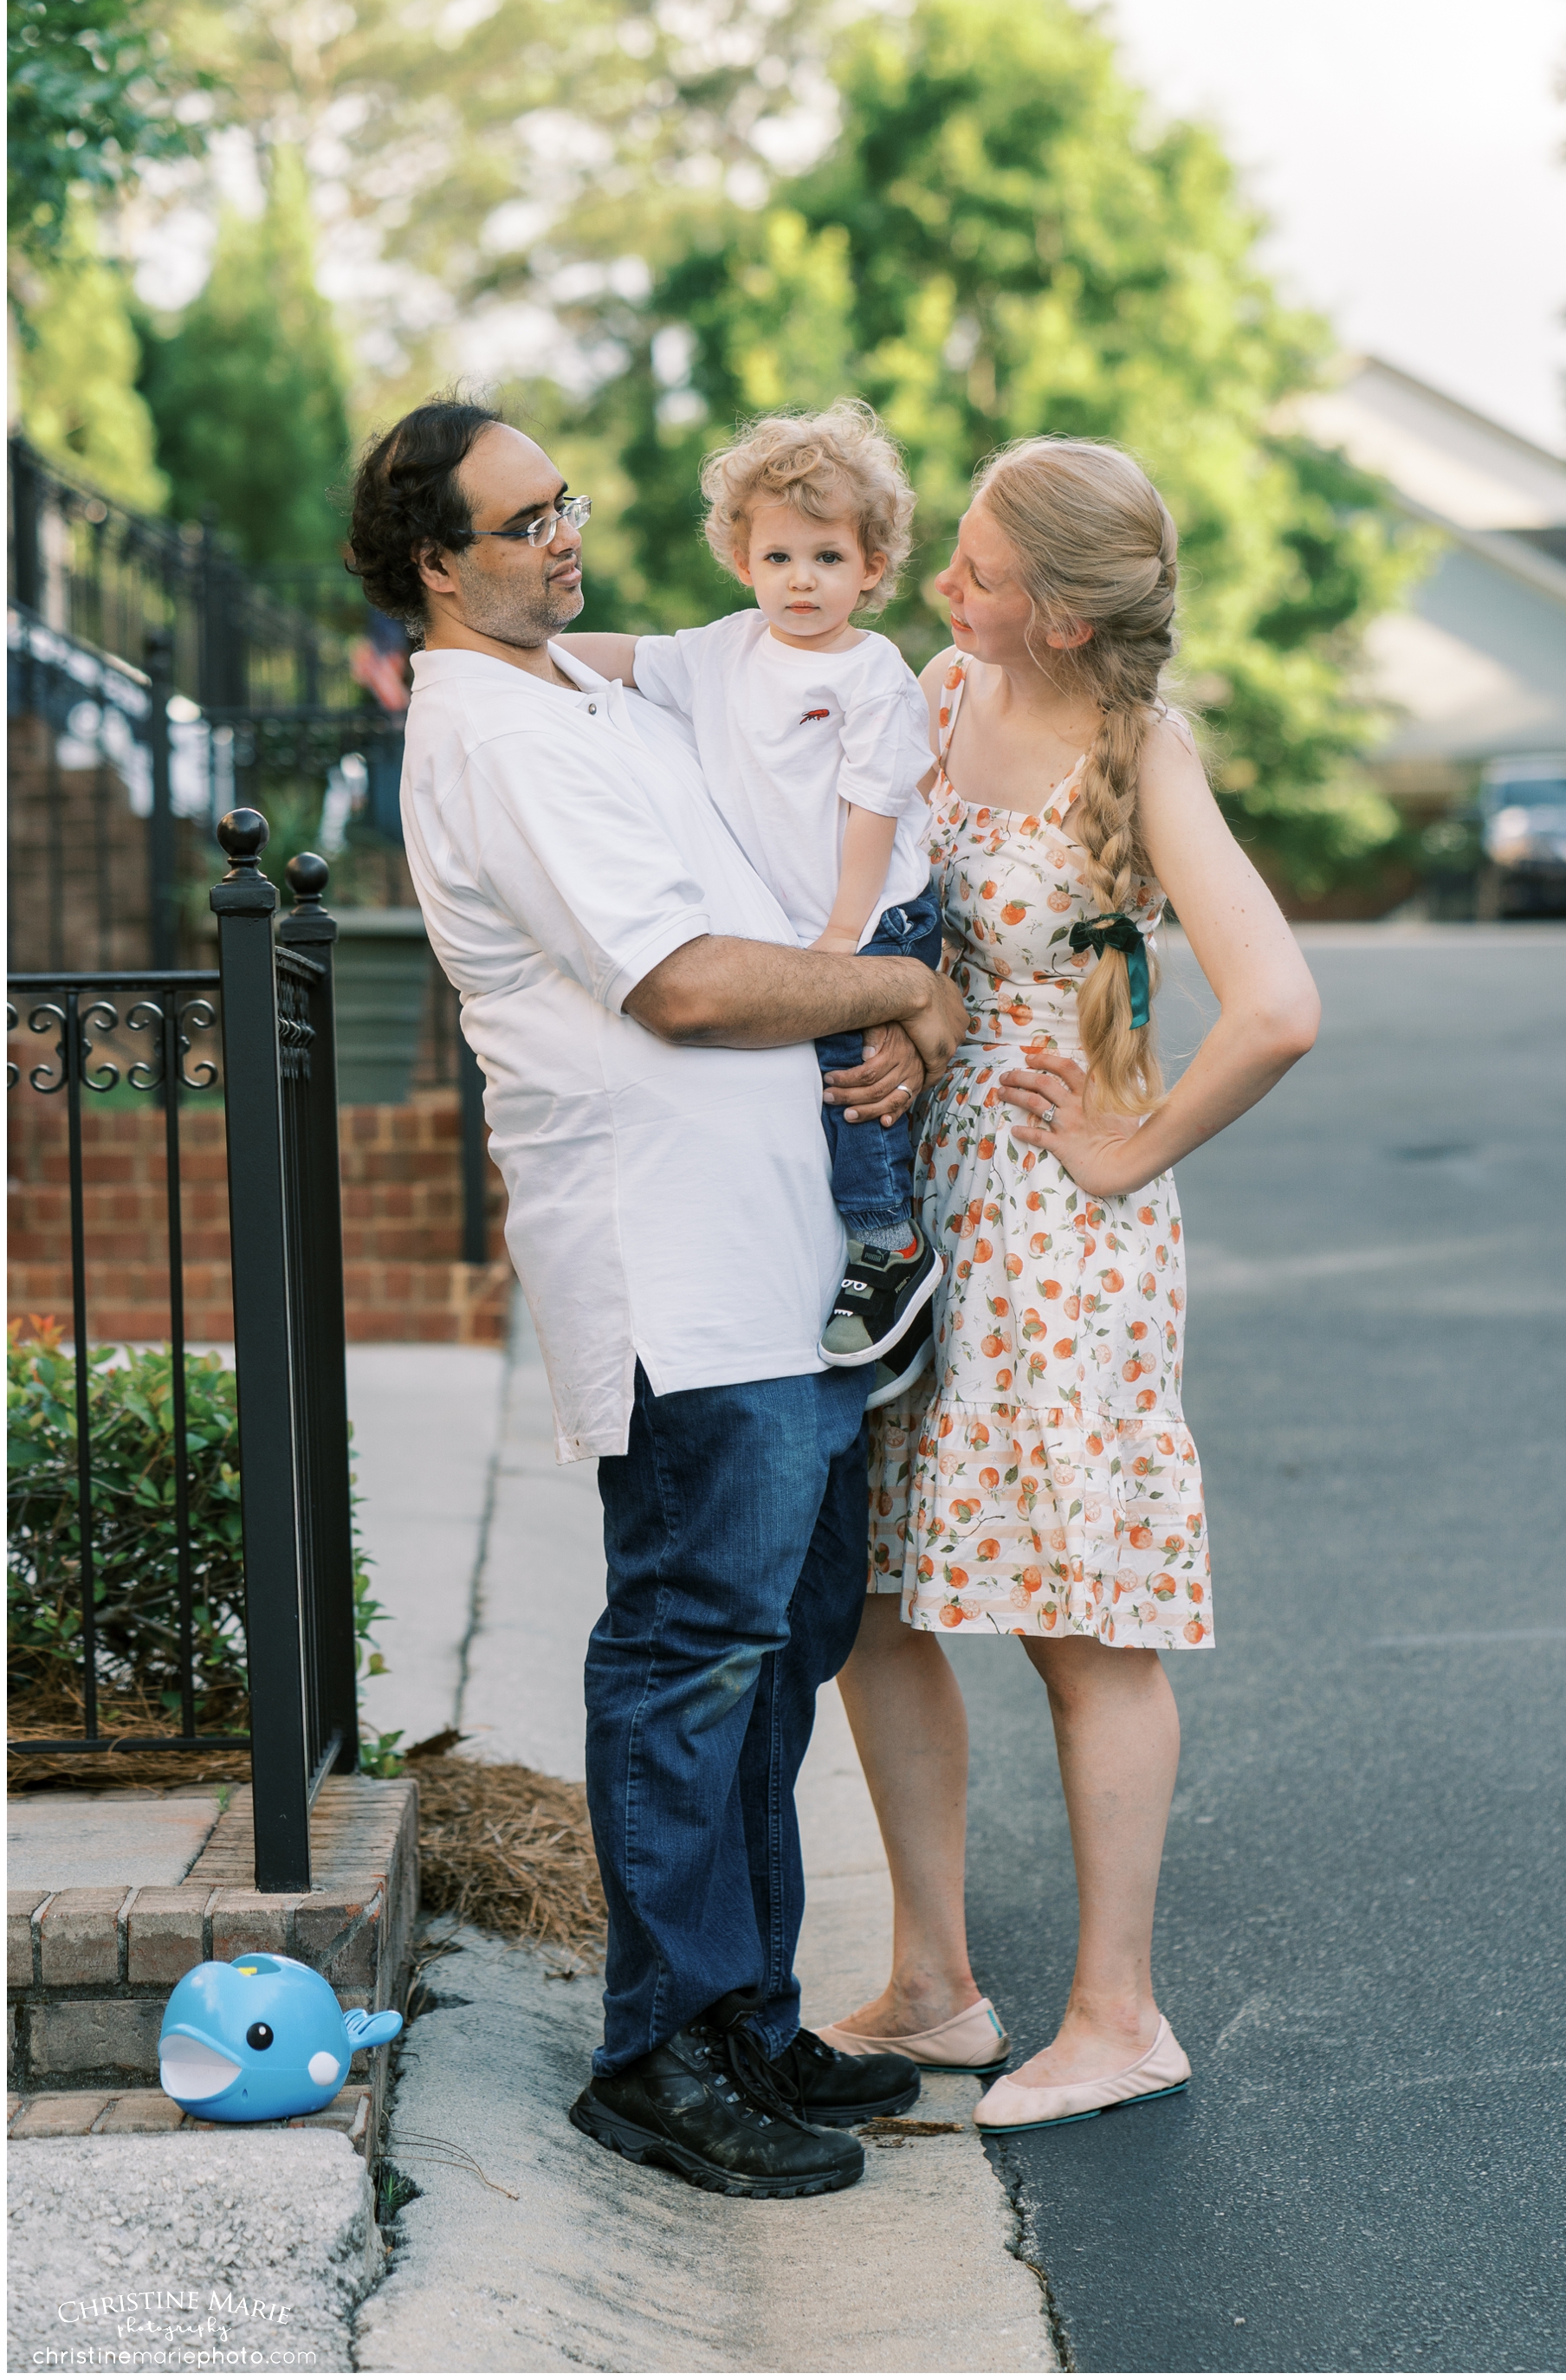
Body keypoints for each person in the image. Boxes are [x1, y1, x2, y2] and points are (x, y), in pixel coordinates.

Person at [344, 397, 967, 2198]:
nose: (563, 531)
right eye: (522, 517)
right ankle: (660, 2049)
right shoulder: (487, 737)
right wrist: (895, 993)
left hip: (782, 1255)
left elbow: (763, 699)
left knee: (778, 1636)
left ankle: (749, 2015)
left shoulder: (583, 692)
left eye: (569, 497)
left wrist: (877, 1018)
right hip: (673, 1265)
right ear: (430, 567)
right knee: (695, 1648)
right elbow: (682, 986)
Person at [817, 437, 1322, 2133]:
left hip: (1057, 1245)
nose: (938, 582)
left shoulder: (1137, 746)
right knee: (873, 1598)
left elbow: (1276, 1002)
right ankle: (937, 1984)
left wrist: (1128, 1149)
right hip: (907, 1215)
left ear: (1050, 606)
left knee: (1077, 1624)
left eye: (969, 562)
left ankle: (1118, 2014)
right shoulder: (940, 689)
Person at [569, 402, 944, 1400]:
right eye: (778, 557)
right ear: (742, 560)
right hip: (792, 926)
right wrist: (531, 660)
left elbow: (871, 808)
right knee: (803, 1098)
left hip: (874, 910)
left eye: (827, 558)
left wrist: (840, 940)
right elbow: (627, 657)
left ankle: (888, 1246)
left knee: (852, 1077)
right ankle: (856, 1265)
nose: (801, 581)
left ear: (870, 567)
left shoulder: (873, 674)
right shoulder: (722, 650)